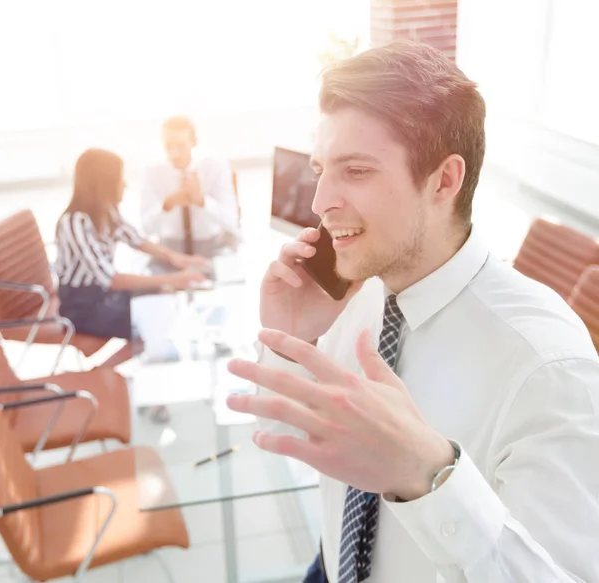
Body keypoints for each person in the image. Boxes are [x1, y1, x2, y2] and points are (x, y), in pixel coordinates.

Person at [225, 40, 599, 582]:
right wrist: (292, 343)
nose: (319, 202)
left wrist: (429, 480)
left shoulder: (549, 368)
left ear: (444, 180)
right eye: (320, 169)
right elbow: (278, 431)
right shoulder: (364, 293)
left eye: (355, 171)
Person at [56, 148, 207, 362]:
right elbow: (112, 280)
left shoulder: (106, 211)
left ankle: (120, 367)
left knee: (160, 299)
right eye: (119, 179)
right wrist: (176, 278)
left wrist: (179, 259)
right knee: (149, 323)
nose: (125, 184)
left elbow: (136, 240)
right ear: (103, 184)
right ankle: (98, 378)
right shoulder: (74, 224)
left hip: (102, 295)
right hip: (82, 307)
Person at [140, 115, 240, 266]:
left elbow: (231, 222)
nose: (175, 154)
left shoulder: (215, 168)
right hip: (169, 251)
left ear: (194, 142)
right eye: (168, 147)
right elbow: (146, 229)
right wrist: (166, 206)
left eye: (181, 146)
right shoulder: (152, 172)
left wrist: (202, 201)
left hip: (212, 248)